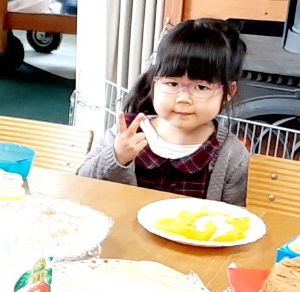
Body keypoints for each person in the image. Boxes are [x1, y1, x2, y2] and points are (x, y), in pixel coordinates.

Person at [77, 18, 250, 205]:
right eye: (172, 84)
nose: (183, 98)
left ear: (229, 92)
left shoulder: (232, 155)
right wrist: (117, 156)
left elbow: (234, 215)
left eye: (201, 87)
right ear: (154, 82)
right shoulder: (127, 132)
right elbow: (81, 184)